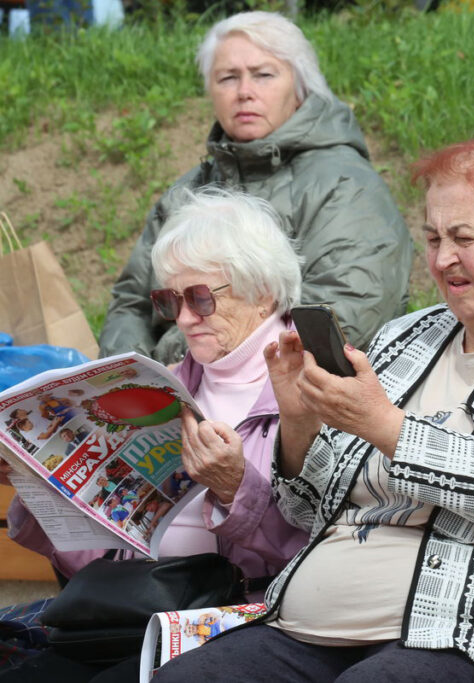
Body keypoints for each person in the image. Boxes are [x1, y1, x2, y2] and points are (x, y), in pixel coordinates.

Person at [151, 141, 474, 683]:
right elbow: (305, 510)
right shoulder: (407, 337)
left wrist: (385, 427)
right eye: (434, 238)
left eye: (464, 238)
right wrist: (298, 422)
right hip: (312, 626)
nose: (442, 259)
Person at [0, 189, 309, 682]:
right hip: (132, 615)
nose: (183, 318)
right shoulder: (161, 387)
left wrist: (236, 489)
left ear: (262, 291)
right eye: (169, 299)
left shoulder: (311, 390)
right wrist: (38, 485)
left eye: (201, 297)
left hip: (234, 623)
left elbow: (315, 550)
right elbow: (97, 561)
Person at [98, 11, 413, 365]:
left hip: (293, 408)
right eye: (228, 78)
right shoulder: (188, 192)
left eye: (264, 75)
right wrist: (139, 386)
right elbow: (132, 302)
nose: (244, 92)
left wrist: (185, 365)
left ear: (300, 87)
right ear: (210, 91)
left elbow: (344, 314)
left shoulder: (346, 185)